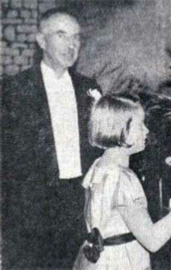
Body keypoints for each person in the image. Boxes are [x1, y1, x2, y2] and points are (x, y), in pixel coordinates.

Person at [1, 8, 103, 268]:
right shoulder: (13, 90)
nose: (71, 45)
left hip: (77, 203)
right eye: (61, 35)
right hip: (29, 208)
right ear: (41, 40)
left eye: (76, 37)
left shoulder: (89, 88)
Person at [73, 94, 171, 269]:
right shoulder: (123, 179)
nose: (146, 131)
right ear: (122, 131)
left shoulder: (98, 166)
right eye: (140, 124)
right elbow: (153, 240)